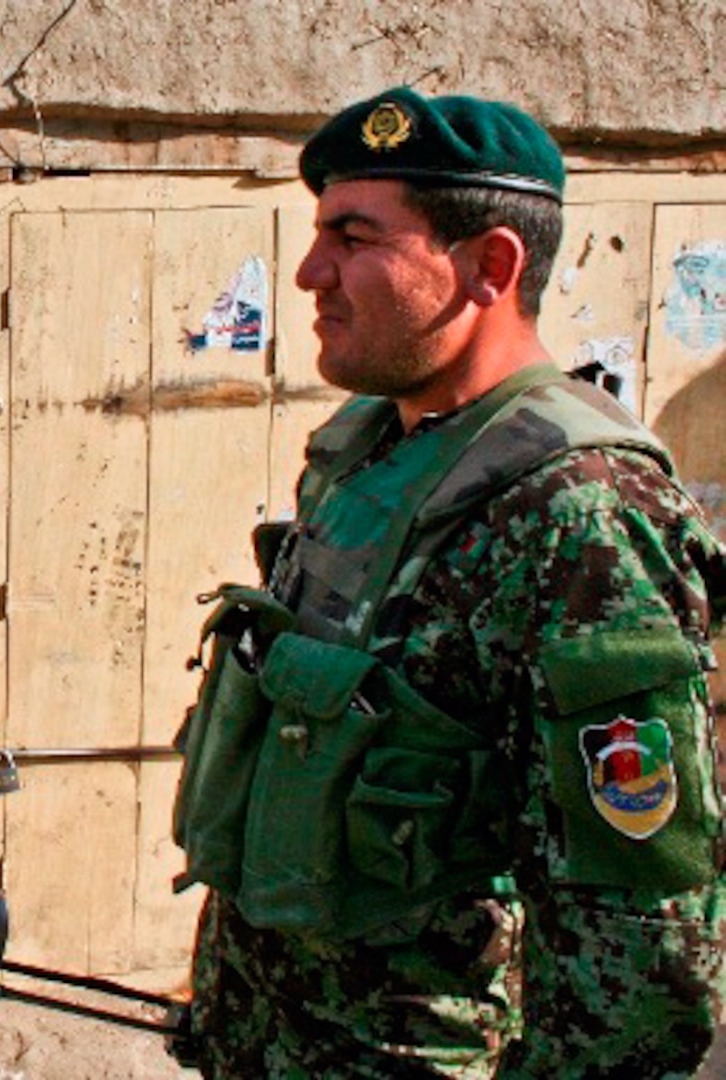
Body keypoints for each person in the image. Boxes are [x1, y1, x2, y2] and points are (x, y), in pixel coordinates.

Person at [170, 86, 726, 1077]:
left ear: (490, 267)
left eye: (354, 235)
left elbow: (642, 929)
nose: (310, 273)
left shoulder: (586, 511)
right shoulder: (365, 455)